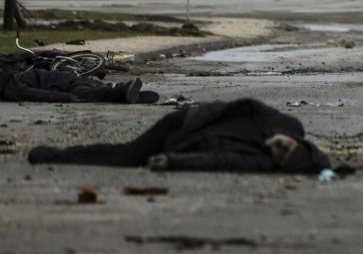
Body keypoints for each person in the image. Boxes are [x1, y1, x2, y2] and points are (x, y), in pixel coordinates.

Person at [27, 98, 330, 173]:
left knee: (128, 156)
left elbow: (218, 160)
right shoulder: (287, 124)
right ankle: (57, 156)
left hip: (182, 141)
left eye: (281, 157)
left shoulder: (263, 162)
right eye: (286, 148)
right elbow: (250, 104)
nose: (277, 150)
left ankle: (59, 156)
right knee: (128, 155)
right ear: (295, 141)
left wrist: (173, 161)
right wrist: (276, 133)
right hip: (185, 122)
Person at [0, 66, 153, 104]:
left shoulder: (10, 85)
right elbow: (33, 93)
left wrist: (67, 97)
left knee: (92, 93)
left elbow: (34, 93)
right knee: (96, 89)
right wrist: (67, 97)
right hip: (67, 81)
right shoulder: (12, 82)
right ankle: (124, 92)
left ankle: (123, 92)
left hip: (66, 85)